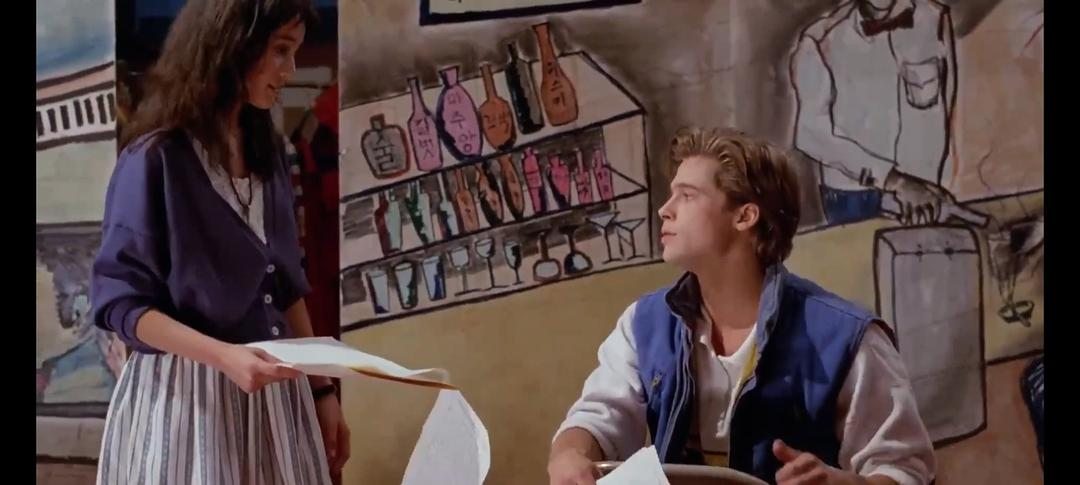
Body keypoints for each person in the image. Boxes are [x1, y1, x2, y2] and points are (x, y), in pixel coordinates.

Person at [547, 128, 935, 485]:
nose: (665, 209)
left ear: (745, 216)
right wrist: (569, 454)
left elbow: (905, 470)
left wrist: (843, 484)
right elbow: (600, 415)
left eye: (687, 195)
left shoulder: (847, 337)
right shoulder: (644, 324)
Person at [91, 1, 349, 483]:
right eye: (280, 51)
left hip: (275, 399)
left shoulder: (267, 151)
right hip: (189, 406)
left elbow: (286, 284)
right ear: (233, 46)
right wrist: (224, 356)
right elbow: (121, 305)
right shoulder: (155, 159)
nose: (290, 70)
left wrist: (322, 391)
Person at [790, 0, 958, 226]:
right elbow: (810, 134)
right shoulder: (819, 41)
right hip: (854, 196)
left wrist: (934, 186)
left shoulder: (935, 20)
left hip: (923, 194)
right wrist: (897, 182)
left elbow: (944, 110)